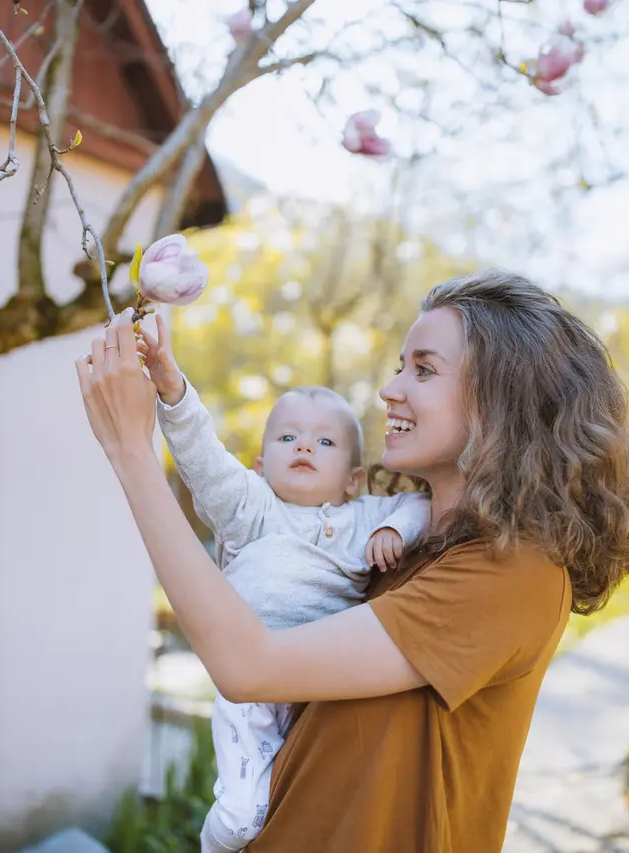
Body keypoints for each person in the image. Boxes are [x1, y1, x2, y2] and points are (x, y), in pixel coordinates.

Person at [76, 270, 629, 853]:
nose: (390, 390)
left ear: (502, 404)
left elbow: (247, 666)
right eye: (399, 366)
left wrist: (130, 450)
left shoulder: (515, 573)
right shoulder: (396, 550)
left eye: (423, 369)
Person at [135, 318, 431, 852]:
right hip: (250, 690)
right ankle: (218, 841)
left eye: (325, 441)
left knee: (301, 797)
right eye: (288, 437)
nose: (305, 447)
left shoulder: (363, 516)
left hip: (319, 692)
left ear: (353, 478)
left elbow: (421, 504)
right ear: (259, 463)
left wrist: (394, 528)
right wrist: (173, 392)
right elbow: (203, 457)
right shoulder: (251, 509)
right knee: (242, 816)